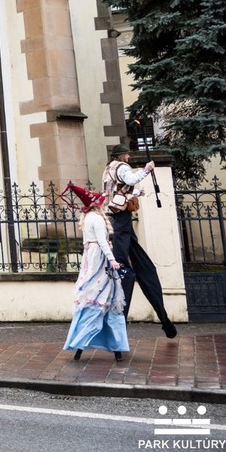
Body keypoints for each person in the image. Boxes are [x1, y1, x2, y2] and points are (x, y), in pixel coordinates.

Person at [103, 145, 177, 338]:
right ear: (121, 155)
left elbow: (117, 192)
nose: (128, 156)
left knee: (126, 236)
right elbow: (130, 179)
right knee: (122, 236)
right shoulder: (121, 167)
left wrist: (136, 194)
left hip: (115, 210)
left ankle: (121, 261)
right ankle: (120, 262)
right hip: (120, 213)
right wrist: (146, 170)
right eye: (126, 153)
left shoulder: (109, 168)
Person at [63, 184, 129, 361]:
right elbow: (102, 242)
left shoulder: (87, 218)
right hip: (100, 261)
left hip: (91, 260)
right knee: (104, 297)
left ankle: (81, 347)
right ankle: (116, 348)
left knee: (96, 297)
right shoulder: (97, 220)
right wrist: (113, 259)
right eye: (101, 201)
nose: (103, 203)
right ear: (96, 204)